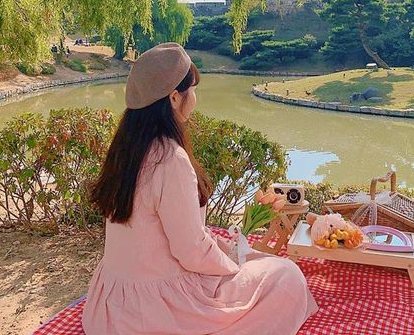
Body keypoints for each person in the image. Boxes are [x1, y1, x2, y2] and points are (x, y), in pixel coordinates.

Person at [82, 43, 317, 335]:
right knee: (287, 276)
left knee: (249, 259)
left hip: (111, 308)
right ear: (174, 97)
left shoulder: (126, 148)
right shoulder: (169, 159)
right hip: (155, 310)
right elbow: (190, 252)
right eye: (192, 90)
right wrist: (233, 268)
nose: (195, 98)